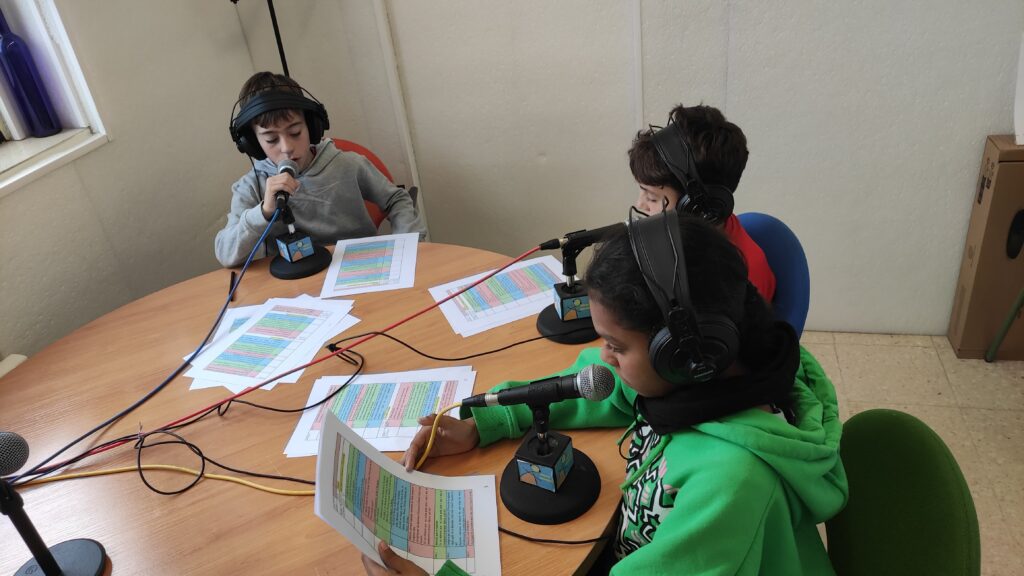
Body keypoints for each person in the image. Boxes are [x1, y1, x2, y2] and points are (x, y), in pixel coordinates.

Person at [361, 211, 846, 576]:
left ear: (681, 354)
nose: (602, 358)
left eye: (616, 345)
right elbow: (598, 390)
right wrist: (486, 422)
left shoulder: (732, 484)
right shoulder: (709, 376)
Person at [215, 72, 426, 268]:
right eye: (271, 139)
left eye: (295, 132)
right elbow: (226, 253)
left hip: (359, 267)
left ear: (312, 126)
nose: (286, 147)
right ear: (252, 143)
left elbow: (397, 199)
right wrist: (263, 212)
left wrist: (407, 245)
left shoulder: (348, 165)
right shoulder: (251, 186)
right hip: (295, 282)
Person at [629, 103, 776, 302]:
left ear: (695, 207)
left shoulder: (742, 281)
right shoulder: (675, 239)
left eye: (652, 198)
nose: (640, 204)